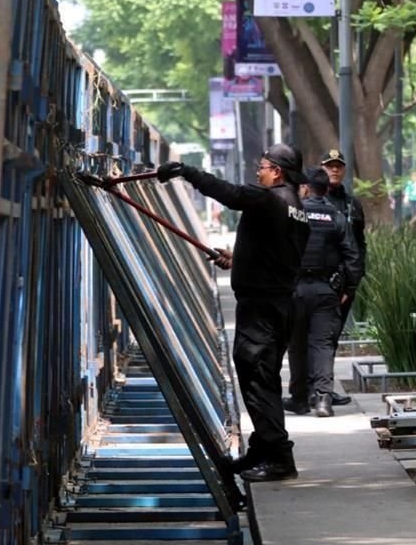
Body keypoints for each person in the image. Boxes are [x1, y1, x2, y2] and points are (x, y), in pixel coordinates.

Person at [157, 144, 310, 482]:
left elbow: (230, 194)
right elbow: (276, 255)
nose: (258, 172)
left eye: (263, 166)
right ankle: (262, 448)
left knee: (257, 378)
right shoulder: (297, 208)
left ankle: (279, 457)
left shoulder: (271, 199)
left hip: (262, 308)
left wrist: (187, 172)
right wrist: (237, 259)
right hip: (277, 304)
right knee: (262, 377)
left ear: (278, 171)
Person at [285, 168, 363, 418]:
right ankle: (323, 401)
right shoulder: (337, 216)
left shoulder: (294, 213)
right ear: (324, 188)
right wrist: (348, 289)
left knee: (296, 344)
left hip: (294, 290)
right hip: (326, 290)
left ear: (305, 187)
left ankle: (299, 399)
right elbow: (353, 256)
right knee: (323, 345)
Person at [319, 149, 367, 406]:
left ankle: (323, 389)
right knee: (320, 338)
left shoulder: (352, 204)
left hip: (345, 284)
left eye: (338, 166)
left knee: (332, 338)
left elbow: (360, 244)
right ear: (322, 169)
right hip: (320, 281)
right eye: (329, 166)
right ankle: (317, 389)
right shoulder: (314, 203)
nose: (334, 170)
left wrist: (355, 280)